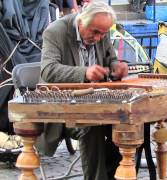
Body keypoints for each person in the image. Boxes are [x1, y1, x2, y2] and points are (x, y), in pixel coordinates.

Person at [40, 2, 128, 180]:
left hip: (99, 103)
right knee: (91, 126)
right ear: (81, 20)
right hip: (64, 106)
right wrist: (84, 73)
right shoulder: (55, 31)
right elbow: (48, 70)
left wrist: (116, 66)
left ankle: (109, 174)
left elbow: (110, 59)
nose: (98, 37)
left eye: (103, 33)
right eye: (95, 32)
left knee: (131, 122)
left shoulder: (101, 31)